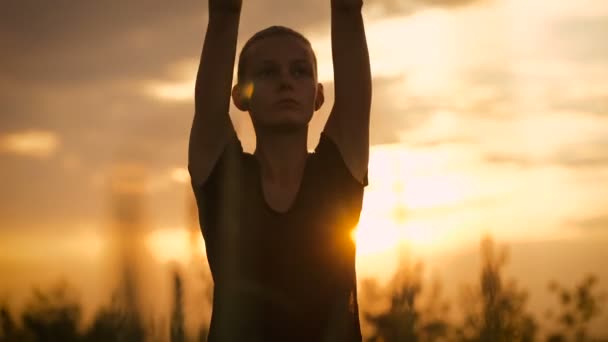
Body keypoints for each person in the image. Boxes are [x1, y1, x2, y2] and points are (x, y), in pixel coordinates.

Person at [188, 0, 371, 340]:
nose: (286, 81)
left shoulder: (338, 169)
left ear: (318, 96)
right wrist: (224, 14)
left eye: (300, 71)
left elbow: (347, 11)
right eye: (267, 72)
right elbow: (224, 15)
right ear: (241, 95)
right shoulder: (223, 176)